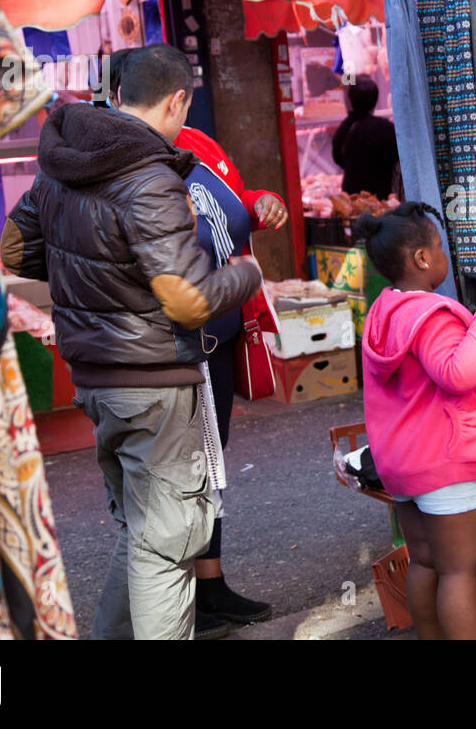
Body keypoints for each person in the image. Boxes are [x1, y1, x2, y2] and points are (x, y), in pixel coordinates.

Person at [1, 43, 262, 640]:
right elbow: (186, 299)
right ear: (177, 101)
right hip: (153, 380)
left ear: (118, 96)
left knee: (146, 531)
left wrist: (90, 274)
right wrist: (246, 273)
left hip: (94, 377)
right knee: (167, 543)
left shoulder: (60, 166)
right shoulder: (149, 176)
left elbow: (16, 250)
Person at [356, 203, 476, 639]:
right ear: (423, 259)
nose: (445, 256)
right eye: (440, 247)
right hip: (449, 464)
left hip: (406, 467)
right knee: (459, 573)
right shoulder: (430, 316)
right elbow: (459, 372)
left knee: (427, 562)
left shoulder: (384, 311)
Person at [173, 114, 288, 638]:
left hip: (216, 331)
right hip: (173, 340)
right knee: (175, 473)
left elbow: (228, 209)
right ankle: (175, 601)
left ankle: (209, 584)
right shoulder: (128, 158)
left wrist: (260, 203)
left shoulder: (197, 143)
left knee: (209, 461)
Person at [332, 75, 399, 199]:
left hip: (352, 197)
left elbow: (337, 158)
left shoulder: (345, 127)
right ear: (375, 100)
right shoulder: (386, 127)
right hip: (381, 195)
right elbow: (396, 156)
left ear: (351, 100)